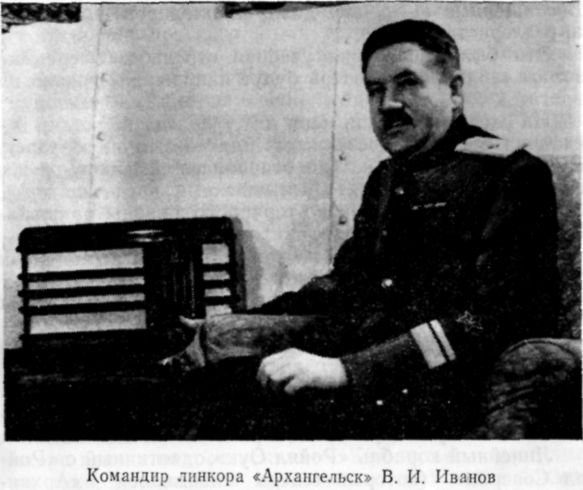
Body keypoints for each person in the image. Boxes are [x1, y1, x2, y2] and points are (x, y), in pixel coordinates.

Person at [163, 19, 559, 439]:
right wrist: (237, 322)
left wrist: (346, 371)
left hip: (439, 392)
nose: (388, 103)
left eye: (407, 83)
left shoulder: (511, 175)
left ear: (455, 91)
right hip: (362, 376)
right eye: (374, 90)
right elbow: (342, 286)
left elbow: (494, 316)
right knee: (197, 390)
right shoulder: (386, 179)